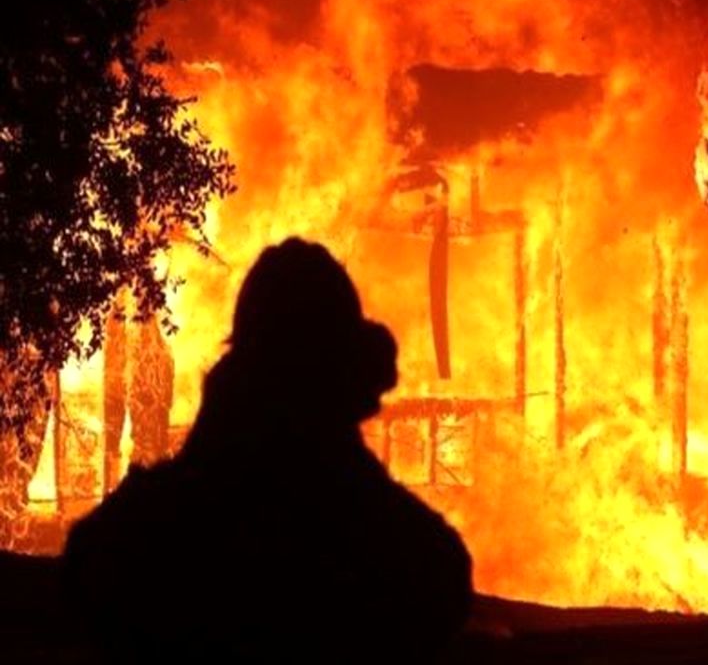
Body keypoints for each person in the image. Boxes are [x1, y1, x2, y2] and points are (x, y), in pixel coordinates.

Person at [62, 238, 473, 662]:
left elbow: (86, 571)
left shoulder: (135, 539)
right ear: (345, 369)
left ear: (240, 362)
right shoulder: (413, 558)